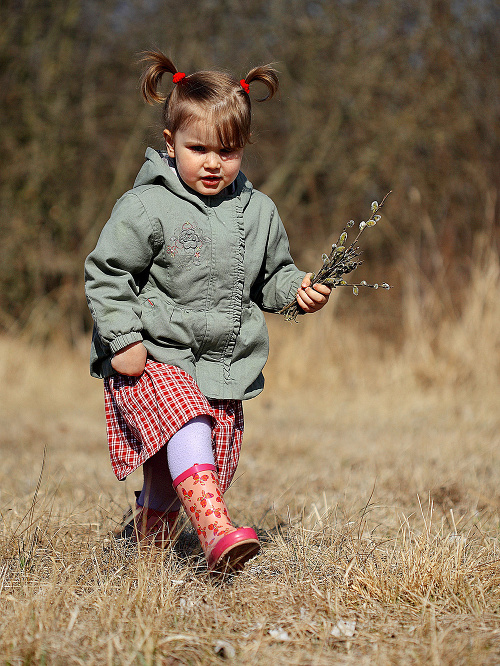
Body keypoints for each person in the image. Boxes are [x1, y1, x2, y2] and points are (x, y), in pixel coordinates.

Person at [84, 50, 331, 572]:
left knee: (188, 461)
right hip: (152, 355)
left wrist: (298, 289)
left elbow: (272, 277)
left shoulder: (259, 211)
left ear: (243, 148)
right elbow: (107, 273)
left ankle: (150, 552)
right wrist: (124, 338)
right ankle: (216, 531)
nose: (214, 163)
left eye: (228, 151)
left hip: (220, 364)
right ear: (170, 145)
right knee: (185, 421)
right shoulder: (146, 206)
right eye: (199, 149)